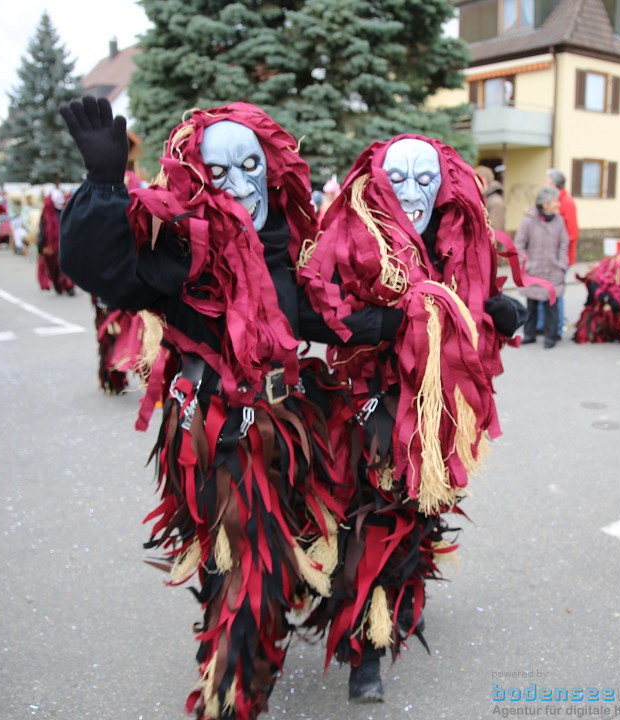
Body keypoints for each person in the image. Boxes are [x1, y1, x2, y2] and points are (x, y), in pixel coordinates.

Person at [59, 96, 398, 720]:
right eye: (220, 172)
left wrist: (415, 320)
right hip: (220, 441)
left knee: (353, 510)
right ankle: (233, 698)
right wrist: (104, 185)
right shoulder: (179, 253)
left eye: (250, 165)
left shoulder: (284, 244)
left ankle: (359, 644)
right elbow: (100, 265)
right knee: (245, 573)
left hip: (291, 427)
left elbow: (313, 316)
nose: (241, 184)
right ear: (197, 180)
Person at [297, 135, 528, 703]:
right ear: (378, 182)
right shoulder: (354, 236)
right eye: (398, 178)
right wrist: (373, 325)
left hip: (438, 416)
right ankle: (364, 650)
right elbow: (309, 307)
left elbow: (479, 306)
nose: (412, 191)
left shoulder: (459, 240)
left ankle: (401, 604)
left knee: (420, 515)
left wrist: (503, 313)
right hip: (372, 407)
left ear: (444, 184)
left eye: (424, 178)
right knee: (368, 521)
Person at [517, 186, 569, 348]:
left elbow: (564, 243)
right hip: (534, 270)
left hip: (553, 270)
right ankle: (530, 334)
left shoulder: (559, 221)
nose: (557, 205)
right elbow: (519, 245)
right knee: (531, 305)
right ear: (545, 203)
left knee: (551, 306)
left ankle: (550, 336)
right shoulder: (528, 221)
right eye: (554, 201)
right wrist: (527, 263)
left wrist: (561, 262)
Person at [541, 168, 579, 337]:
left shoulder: (567, 202)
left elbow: (571, 234)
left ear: (554, 184)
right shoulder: (551, 200)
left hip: (560, 258)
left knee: (556, 292)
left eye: (546, 181)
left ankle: (556, 326)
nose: (543, 184)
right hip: (548, 256)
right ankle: (544, 325)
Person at [37, 189, 75, 295]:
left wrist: (40, 247)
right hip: (57, 246)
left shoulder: (50, 214)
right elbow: (44, 232)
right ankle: (63, 285)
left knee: (61, 267)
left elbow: (42, 232)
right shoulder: (61, 212)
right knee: (58, 267)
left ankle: (66, 285)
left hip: (59, 246)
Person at [475, 164, 505, 232]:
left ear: (488, 182)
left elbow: (497, 231)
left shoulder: (496, 202)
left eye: (481, 181)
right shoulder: (482, 198)